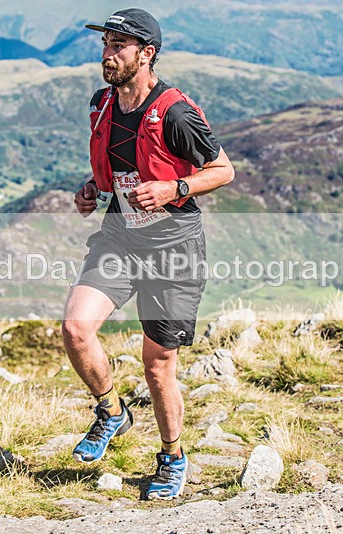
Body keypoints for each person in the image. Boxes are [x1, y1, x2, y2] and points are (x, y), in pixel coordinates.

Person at [62, 7, 234, 501]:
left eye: (119, 46)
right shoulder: (101, 104)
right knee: (76, 328)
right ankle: (112, 412)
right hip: (119, 235)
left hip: (173, 247)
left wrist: (174, 186)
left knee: (157, 365)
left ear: (147, 54)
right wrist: (89, 191)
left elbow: (223, 170)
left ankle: (172, 456)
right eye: (105, 45)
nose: (108, 54)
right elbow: (117, 168)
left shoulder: (176, 112)